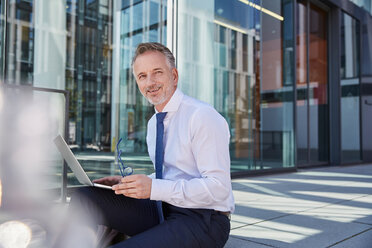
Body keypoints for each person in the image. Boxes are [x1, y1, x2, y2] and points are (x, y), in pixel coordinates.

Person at [68, 42, 234, 248]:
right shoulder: (154, 123)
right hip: (162, 209)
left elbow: (219, 189)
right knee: (84, 197)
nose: (150, 82)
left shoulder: (201, 116)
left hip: (204, 220)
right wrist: (132, 183)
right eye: (142, 76)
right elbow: (173, 174)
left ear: (174, 76)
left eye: (157, 73)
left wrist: (154, 188)